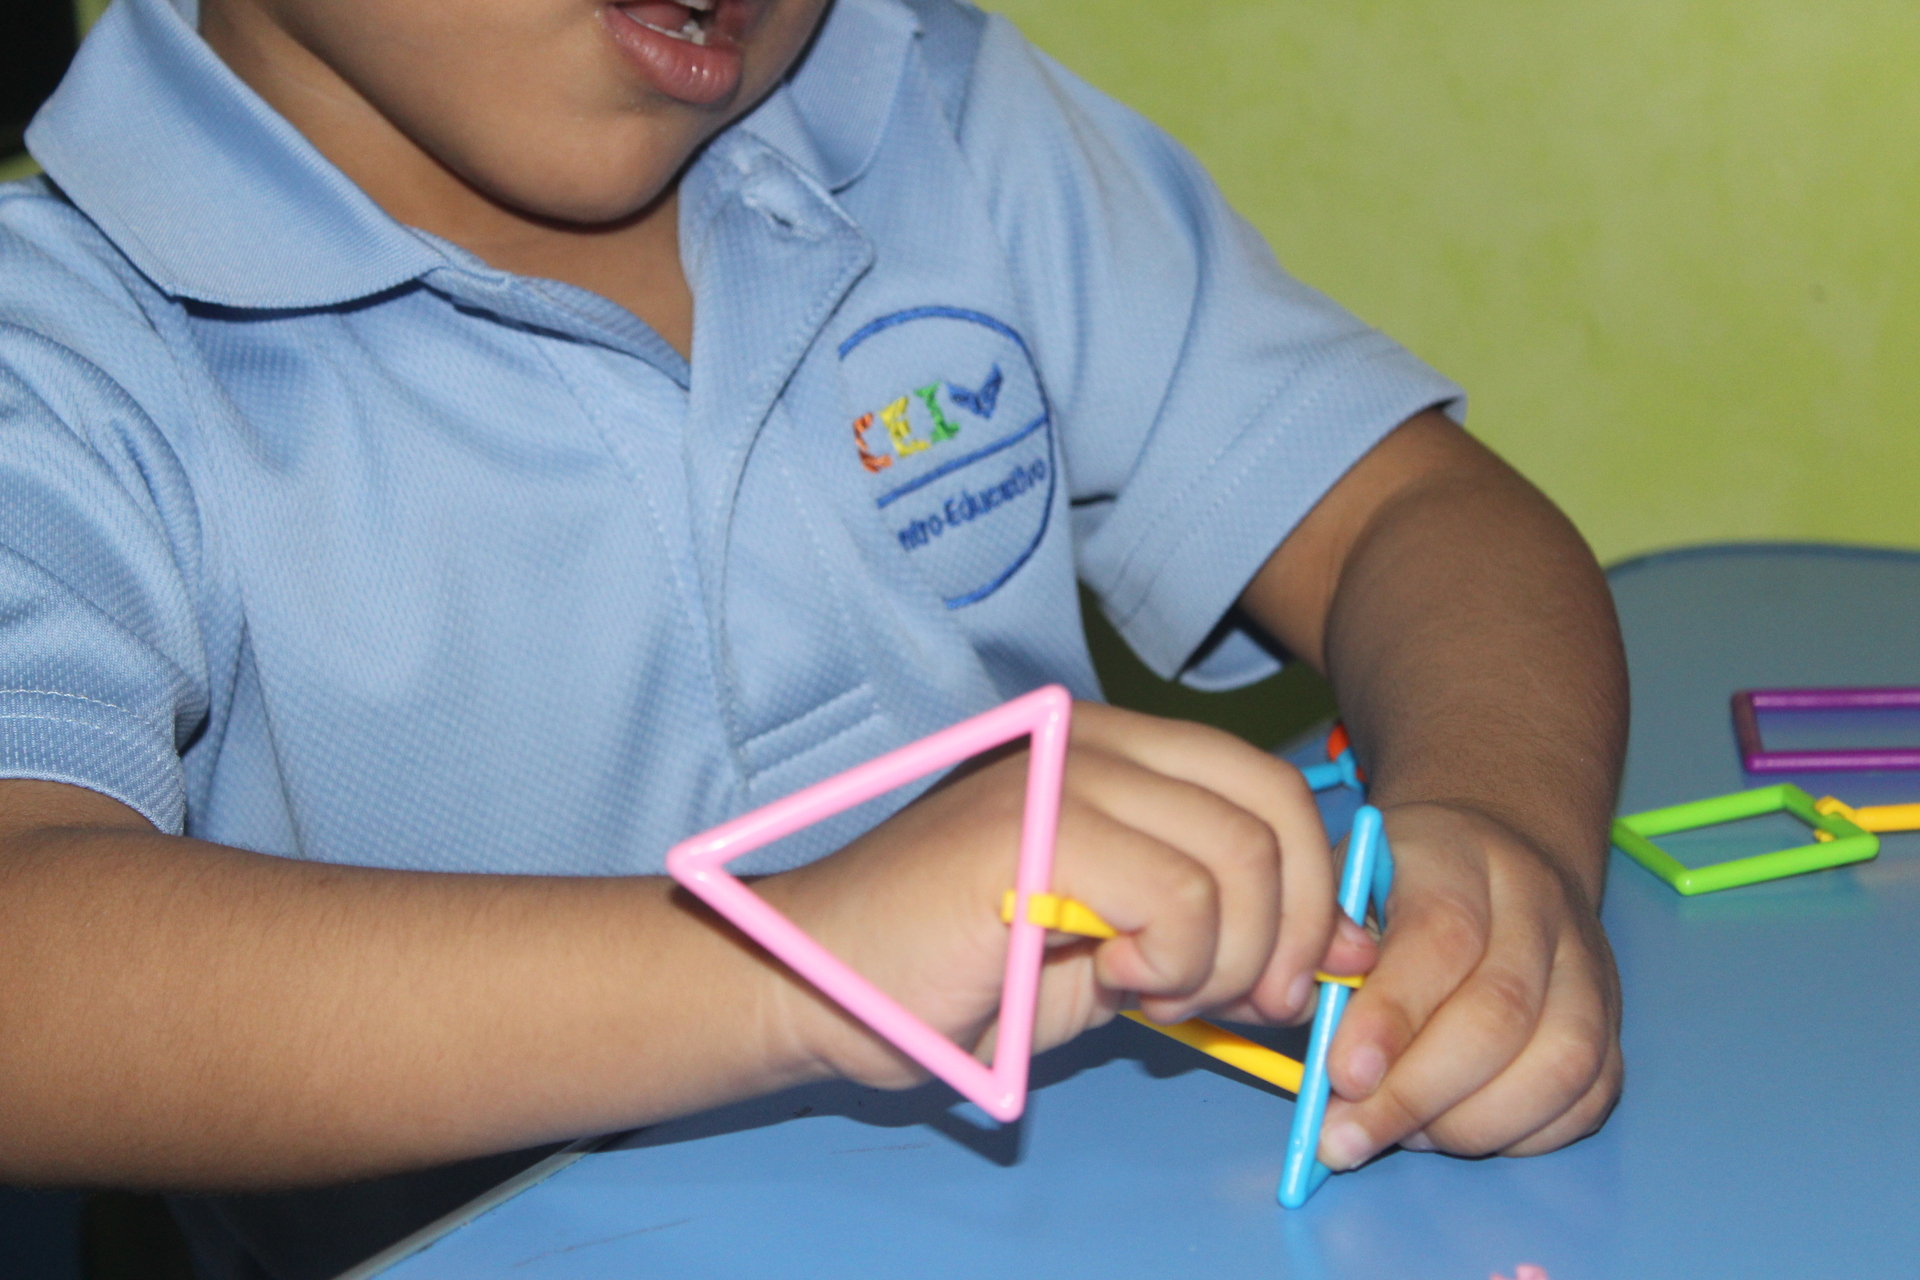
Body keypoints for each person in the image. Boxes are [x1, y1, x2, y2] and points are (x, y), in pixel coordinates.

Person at [0, 0, 1626, 1273]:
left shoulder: (936, 109)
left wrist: (1496, 832)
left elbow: (1413, 514)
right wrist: (791, 961)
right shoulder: (58, 348)